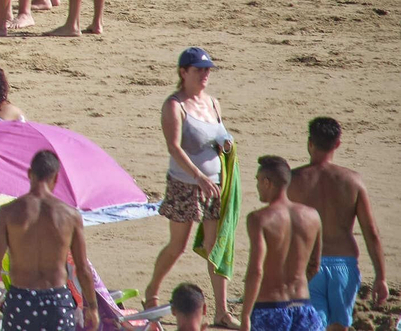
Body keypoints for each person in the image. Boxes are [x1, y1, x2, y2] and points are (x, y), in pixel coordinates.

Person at [146, 47, 238, 326]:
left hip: (215, 185)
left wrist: (226, 144)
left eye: (207, 69)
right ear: (183, 72)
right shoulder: (175, 105)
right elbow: (174, 147)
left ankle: (222, 311)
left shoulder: (213, 103)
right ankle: (152, 291)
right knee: (178, 245)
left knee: (215, 247)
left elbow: (221, 136)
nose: (205, 74)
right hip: (186, 184)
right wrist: (198, 176)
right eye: (199, 70)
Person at [0, 151, 97, 331]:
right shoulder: (70, 215)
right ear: (56, 178)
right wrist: (92, 307)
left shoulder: (8, 212)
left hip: (21, 301)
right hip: (57, 302)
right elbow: (82, 268)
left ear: (29, 174)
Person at [290, 117, 389, 331]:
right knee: (338, 327)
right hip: (345, 265)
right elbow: (371, 232)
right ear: (337, 144)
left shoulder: (293, 180)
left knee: (312, 325)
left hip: (309, 263)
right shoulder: (353, 181)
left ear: (310, 142)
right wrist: (380, 276)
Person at [242, 156, 325, 331]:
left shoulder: (259, 219)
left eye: (258, 181)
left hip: (270, 308)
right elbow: (315, 266)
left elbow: (256, 271)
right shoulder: (313, 216)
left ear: (267, 182)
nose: (257, 186)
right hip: (303, 307)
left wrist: (245, 316)